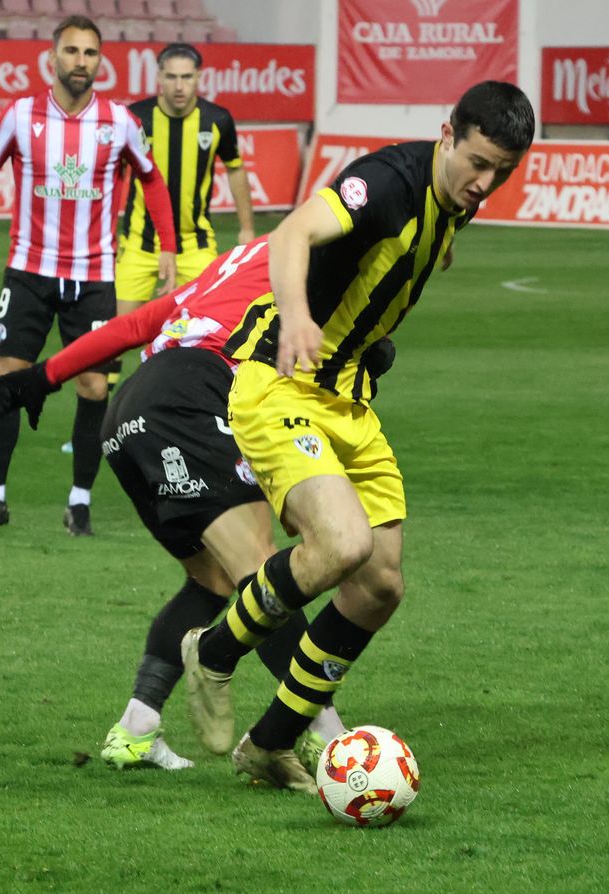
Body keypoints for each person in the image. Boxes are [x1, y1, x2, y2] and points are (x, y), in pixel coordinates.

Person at [174, 81, 536, 790]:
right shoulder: (388, 183)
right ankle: (212, 652)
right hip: (281, 384)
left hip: (348, 404)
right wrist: (296, 314)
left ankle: (271, 742)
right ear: (446, 133)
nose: (485, 183)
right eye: (479, 163)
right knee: (342, 545)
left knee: (379, 587)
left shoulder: (452, 202)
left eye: (503, 172)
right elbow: (292, 232)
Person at [0, 240, 396, 772]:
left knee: (213, 582)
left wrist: (43, 376)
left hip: (130, 411)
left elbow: (133, 328)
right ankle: (325, 735)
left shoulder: (229, 268)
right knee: (263, 573)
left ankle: (136, 729)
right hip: (195, 397)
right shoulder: (309, 260)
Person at [0, 15, 178, 539]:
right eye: (72, 51)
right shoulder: (21, 116)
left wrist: (168, 245)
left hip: (94, 278)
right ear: (52, 57)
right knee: (8, 379)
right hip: (30, 272)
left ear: (99, 62)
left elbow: (151, 179)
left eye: (90, 53)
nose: (81, 62)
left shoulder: (120, 122)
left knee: (93, 387)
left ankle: (79, 502)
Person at [114, 43, 256, 318]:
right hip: (138, 244)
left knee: (200, 331)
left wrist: (247, 228)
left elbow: (235, 169)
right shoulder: (135, 119)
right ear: (159, 77)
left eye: (187, 77)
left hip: (195, 245)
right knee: (111, 338)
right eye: (171, 77)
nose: (179, 86)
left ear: (199, 77)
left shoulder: (217, 120)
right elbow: (112, 172)